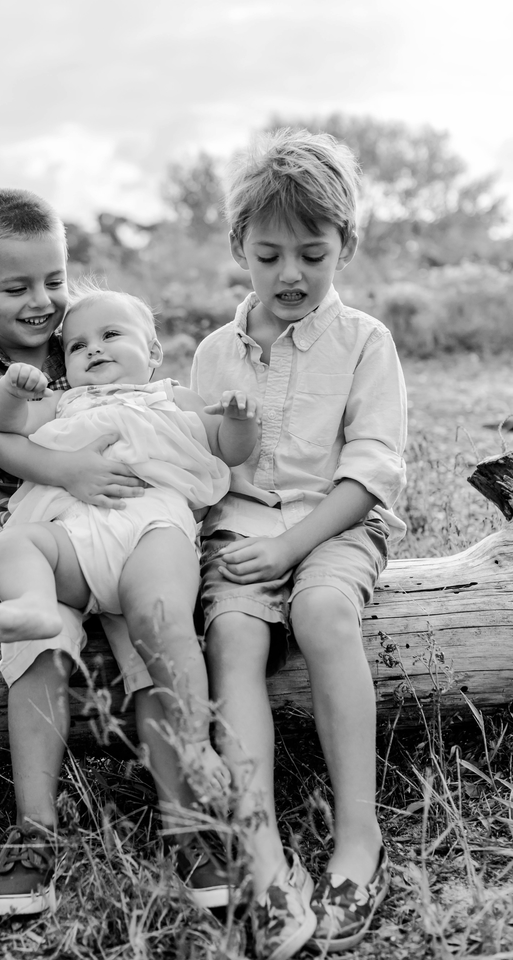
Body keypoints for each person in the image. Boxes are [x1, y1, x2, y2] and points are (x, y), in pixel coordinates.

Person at [0, 189, 250, 917]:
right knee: (35, 648)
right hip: (56, 548)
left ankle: (187, 825)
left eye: (54, 280)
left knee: (156, 637)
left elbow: (199, 424)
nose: (43, 303)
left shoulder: (92, 333)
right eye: (16, 287)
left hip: (142, 533)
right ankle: (34, 830)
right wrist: (64, 458)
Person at [190, 128, 407, 958]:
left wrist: (293, 551)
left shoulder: (365, 343)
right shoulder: (215, 353)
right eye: (270, 253)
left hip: (337, 522)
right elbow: (202, 469)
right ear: (239, 246)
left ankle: (359, 838)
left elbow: (373, 468)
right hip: (242, 530)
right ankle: (265, 859)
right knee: (235, 636)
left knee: (321, 613)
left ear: (344, 246)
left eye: (312, 255)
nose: (291, 274)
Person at [0, 286, 259, 820]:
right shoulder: (62, 401)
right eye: (78, 345)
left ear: (152, 354)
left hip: (152, 529)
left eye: (111, 335)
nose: (94, 349)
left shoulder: (174, 396)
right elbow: (8, 426)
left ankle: (195, 740)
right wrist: (13, 391)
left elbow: (229, 446)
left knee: (162, 617)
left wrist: (242, 420)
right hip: (74, 542)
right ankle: (35, 605)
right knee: (15, 543)